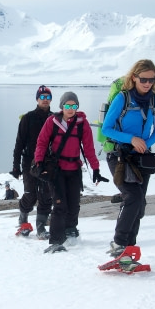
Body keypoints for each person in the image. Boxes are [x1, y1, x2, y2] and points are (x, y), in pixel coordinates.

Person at [101, 59, 155, 257]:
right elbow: (106, 129)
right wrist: (132, 139)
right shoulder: (122, 98)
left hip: (141, 157)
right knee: (133, 197)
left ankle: (128, 249)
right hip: (119, 155)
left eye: (151, 80)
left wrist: (144, 143)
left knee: (139, 205)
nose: (147, 83)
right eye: (143, 79)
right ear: (134, 78)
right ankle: (119, 244)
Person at [35, 91, 108, 253]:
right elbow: (41, 143)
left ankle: (70, 229)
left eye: (73, 106)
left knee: (74, 204)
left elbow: (89, 148)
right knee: (60, 205)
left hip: (74, 170)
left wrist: (95, 168)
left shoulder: (82, 124)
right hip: (57, 171)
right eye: (67, 105)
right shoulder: (52, 122)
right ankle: (55, 240)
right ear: (62, 106)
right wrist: (39, 162)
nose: (70, 109)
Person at [10, 85, 53, 240]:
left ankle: (41, 227)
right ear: (37, 99)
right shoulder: (27, 118)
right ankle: (23, 221)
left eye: (48, 97)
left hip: (48, 163)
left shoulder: (55, 118)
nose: (45, 100)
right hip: (29, 161)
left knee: (46, 195)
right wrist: (16, 166)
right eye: (42, 97)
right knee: (30, 193)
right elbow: (19, 143)